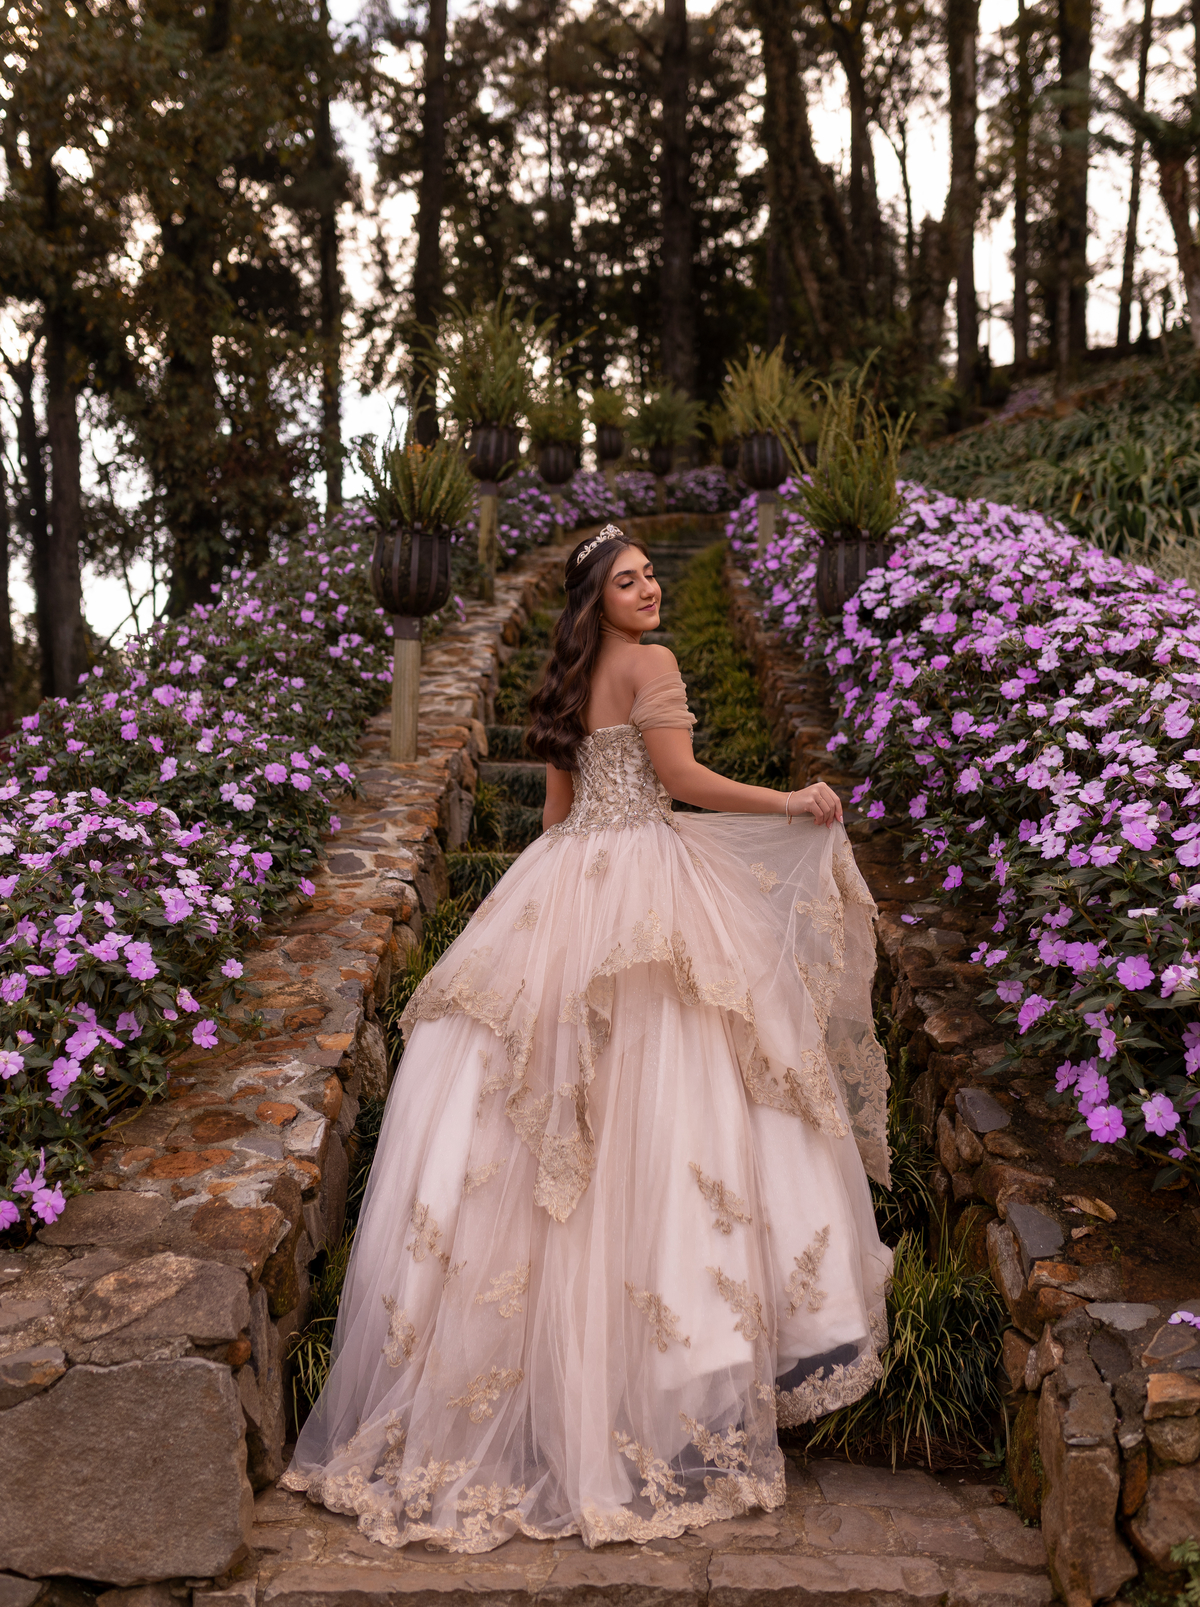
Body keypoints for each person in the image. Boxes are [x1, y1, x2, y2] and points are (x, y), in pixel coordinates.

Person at [282, 525, 892, 1553]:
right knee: (671, 1109)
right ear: (597, 598)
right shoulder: (651, 664)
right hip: (644, 884)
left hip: (567, 885)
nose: (651, 589)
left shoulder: (569, 679)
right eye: (629, 579)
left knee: (552, 1125)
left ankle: (562, 1390)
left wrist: (528, 928)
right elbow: (684, 782)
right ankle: (663, 1384)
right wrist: (792, 801)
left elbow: (558, 820)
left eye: (653, 574)